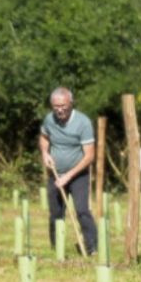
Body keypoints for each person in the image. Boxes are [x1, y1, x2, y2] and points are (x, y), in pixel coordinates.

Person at [39, 87, 98, 254]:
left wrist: (68, 176)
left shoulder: (83, 123)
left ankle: (92, 247)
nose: (59, 109)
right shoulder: (49, 120)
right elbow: (44, 137)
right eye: (55, 106)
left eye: (63, 105)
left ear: (71, 103)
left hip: (78, 174)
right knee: (56, 213)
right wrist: (45, 153)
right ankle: (55, 248)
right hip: (55, 174)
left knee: (82, 211)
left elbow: (89, 156)